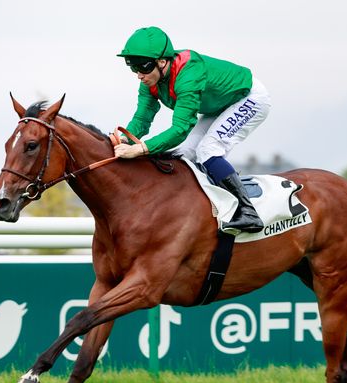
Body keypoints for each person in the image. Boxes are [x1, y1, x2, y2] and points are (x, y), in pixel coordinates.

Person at [114, 26, 271, 233]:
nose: (139, 75)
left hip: (249, 98)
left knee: (208, 150)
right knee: (184, 154)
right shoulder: (150, 80)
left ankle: (248, 212)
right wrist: (124, 139)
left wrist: (142, 148)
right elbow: (142, 118)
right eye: (133, 67)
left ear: (162, 62)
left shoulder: (188, 74)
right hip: (219, 105)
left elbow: (181, 128)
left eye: (143, 67)